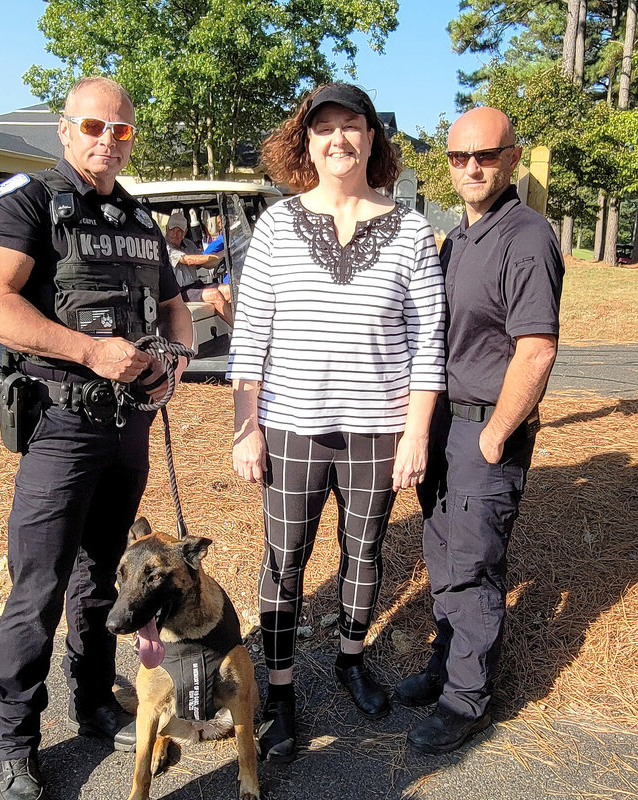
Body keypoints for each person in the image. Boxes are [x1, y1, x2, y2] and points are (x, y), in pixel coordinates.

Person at [0, 77, 193, 800]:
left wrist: (175, 360)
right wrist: (88, 351)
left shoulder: (134, 214)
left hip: (127, 426)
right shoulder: (26, 200)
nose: (106, 139)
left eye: (121, 130)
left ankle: (93, 701)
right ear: (66, 130)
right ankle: (15, 744)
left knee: (104, 581)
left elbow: (171, 307)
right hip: (60, 425)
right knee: (37, 590)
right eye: (93, 126)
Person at [228, 83, 446, 762]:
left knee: (364, 552)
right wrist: (246, 426)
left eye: (352, 127)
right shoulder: (275, 224)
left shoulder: (410, 229)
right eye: (323, 129)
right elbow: (249, 335)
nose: (338, 140)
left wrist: (414, 432)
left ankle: (351, 658)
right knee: (283, 561)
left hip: (376, 429)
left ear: (372, 138)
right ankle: (282, 687)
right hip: (289, 425)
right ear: (304, 142)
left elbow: (427, 339)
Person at [393, 107, 563, 754]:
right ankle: (444, 667)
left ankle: (466, 700)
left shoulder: (525, 236)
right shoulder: (458, 237)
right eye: (458, 157)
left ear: (511, 158)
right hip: (440, 428)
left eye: (485, 156)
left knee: (472, 566)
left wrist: (494, 437)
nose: (470, 167)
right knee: (443, 557)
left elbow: (537, 348)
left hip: (480, 433)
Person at [165, 211, 231, 325]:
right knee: (215, 295)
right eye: (173, 230)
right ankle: (240, 333)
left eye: (179, 231)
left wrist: (221, 257)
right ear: (167, 229)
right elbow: (189, 260)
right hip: (179, 292)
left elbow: (205, 263)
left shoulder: (188, 244)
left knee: (230, 290)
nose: (176, 234)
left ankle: (232, 329)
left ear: (185, 232)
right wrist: (219, 255)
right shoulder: (165, 246)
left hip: (195, 285)